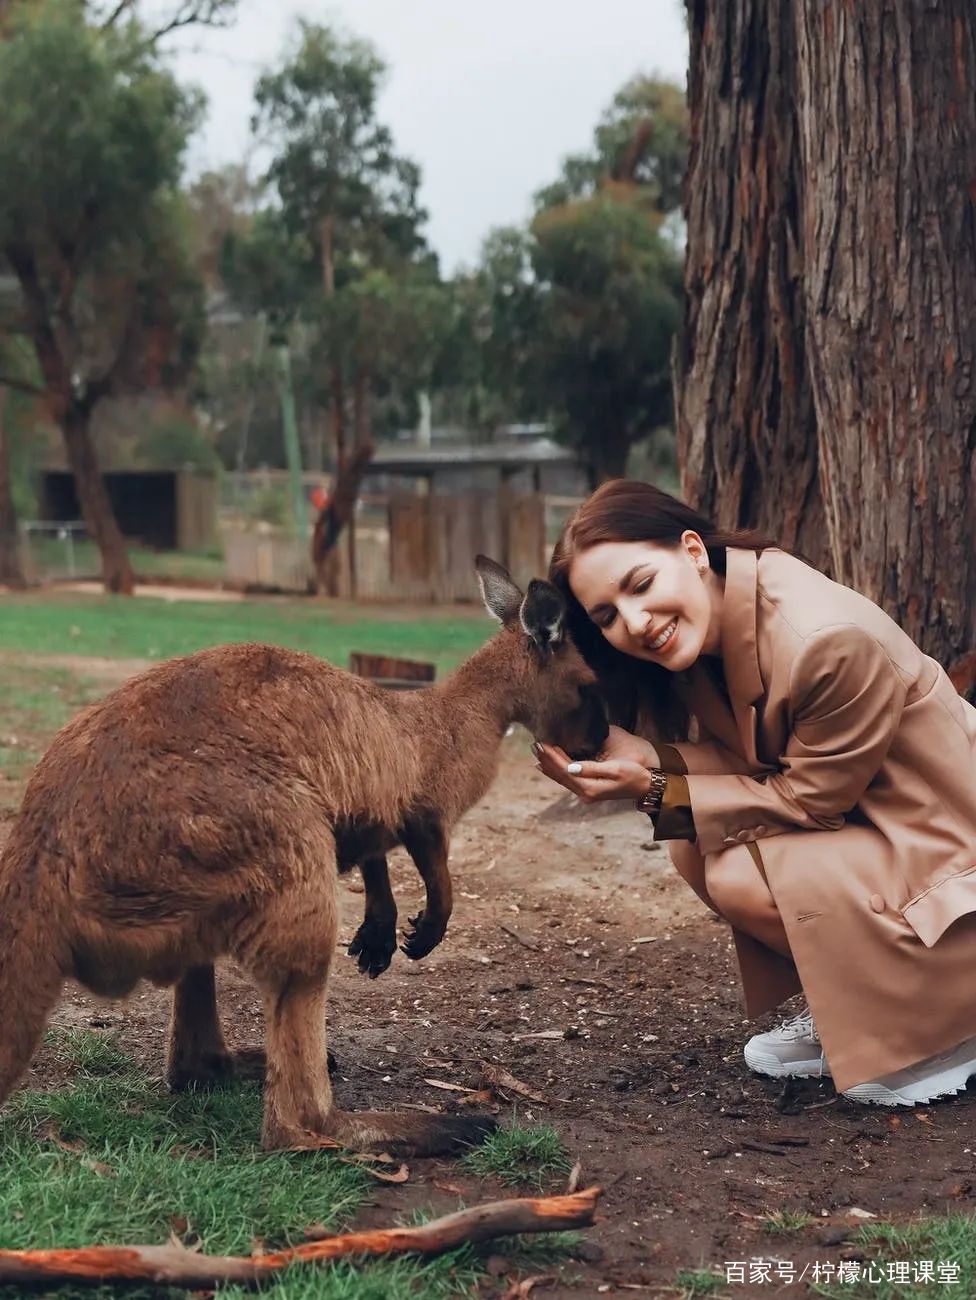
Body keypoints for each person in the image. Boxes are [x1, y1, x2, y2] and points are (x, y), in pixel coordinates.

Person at [533, 478, 976, 1106]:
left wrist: (657, 788)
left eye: (640, 584)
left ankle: (945, 1026)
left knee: (736, 868)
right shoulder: (718, 620)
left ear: (691, 550)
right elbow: (763, 759)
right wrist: (652, 760)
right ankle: (861, 1009)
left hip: (948, 852)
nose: (634, 621)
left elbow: (809, 803)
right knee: (693, 845)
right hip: (884, 828)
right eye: (607, 615)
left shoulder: (823, 641)